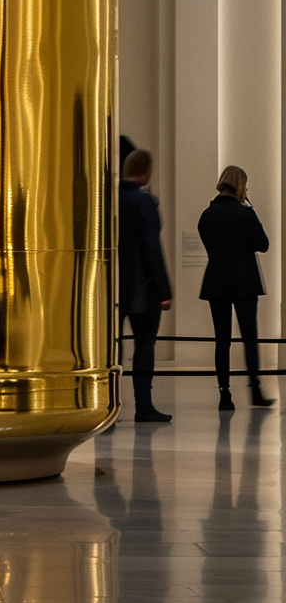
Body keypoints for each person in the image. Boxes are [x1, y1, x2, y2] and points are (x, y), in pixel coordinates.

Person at [198, 164, 273, 412]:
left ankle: (225, 394)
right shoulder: (245, 214)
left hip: (216, 280)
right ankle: (255, 390)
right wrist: (250, 209)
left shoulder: (206, 216)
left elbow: (211, 246)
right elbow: (263, 244)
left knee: (223, 340)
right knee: (249, 338)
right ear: (241, 186)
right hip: (244, 282)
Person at [119, 148, 173, 423]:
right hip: (142, 288)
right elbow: (152, 249)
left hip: (113, 289)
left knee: (113, 349)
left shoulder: (110, 199)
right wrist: (164, 292)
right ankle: (143, 404)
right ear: (146, 171)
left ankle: (110, 404)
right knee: (144, 346)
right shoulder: (144, 202)